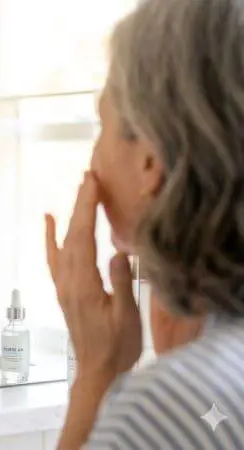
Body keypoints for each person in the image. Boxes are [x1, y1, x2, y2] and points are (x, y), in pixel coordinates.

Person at [47, 0, 244, 447]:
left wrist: (96, 373)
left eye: (103, 124)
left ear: (150, 159)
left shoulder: (172, 402)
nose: (94, 157)